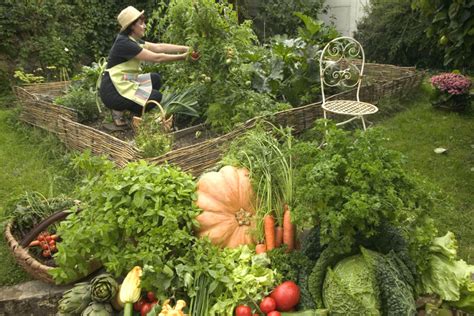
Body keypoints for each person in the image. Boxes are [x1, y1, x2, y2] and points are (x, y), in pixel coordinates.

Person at [99, 6, 198, 127]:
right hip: (112, 91)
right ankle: (127, 114)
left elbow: (158, 47)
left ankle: (129, 111)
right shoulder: (124, 43)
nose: (145, 26)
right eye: (141, 23)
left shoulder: (132, 40)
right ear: (131, 26)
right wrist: (183, 57)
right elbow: (157, 58)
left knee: (155, 79)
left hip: (124, 81)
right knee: (156, 97)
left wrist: (186, 48)